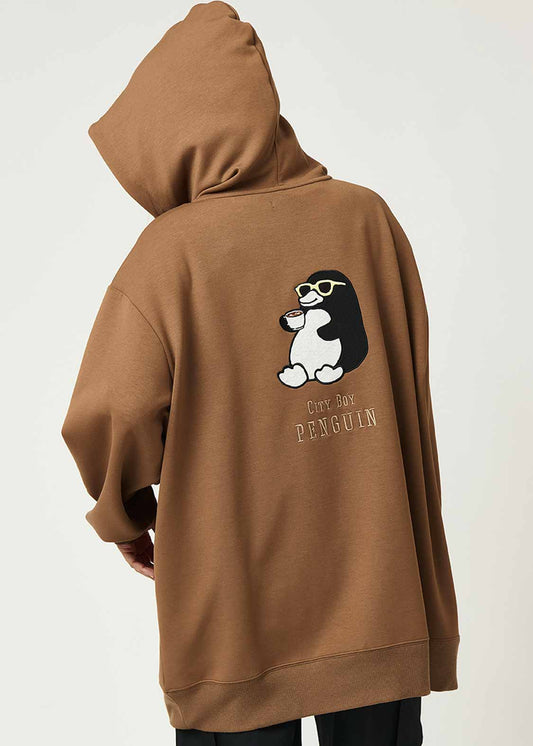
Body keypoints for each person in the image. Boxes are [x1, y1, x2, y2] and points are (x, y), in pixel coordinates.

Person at [62, 3, 459, 744]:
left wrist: (125, 515)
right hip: (380, 599)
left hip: (234, 619)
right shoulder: (368, 220)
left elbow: (114, 408)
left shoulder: (170, 253)